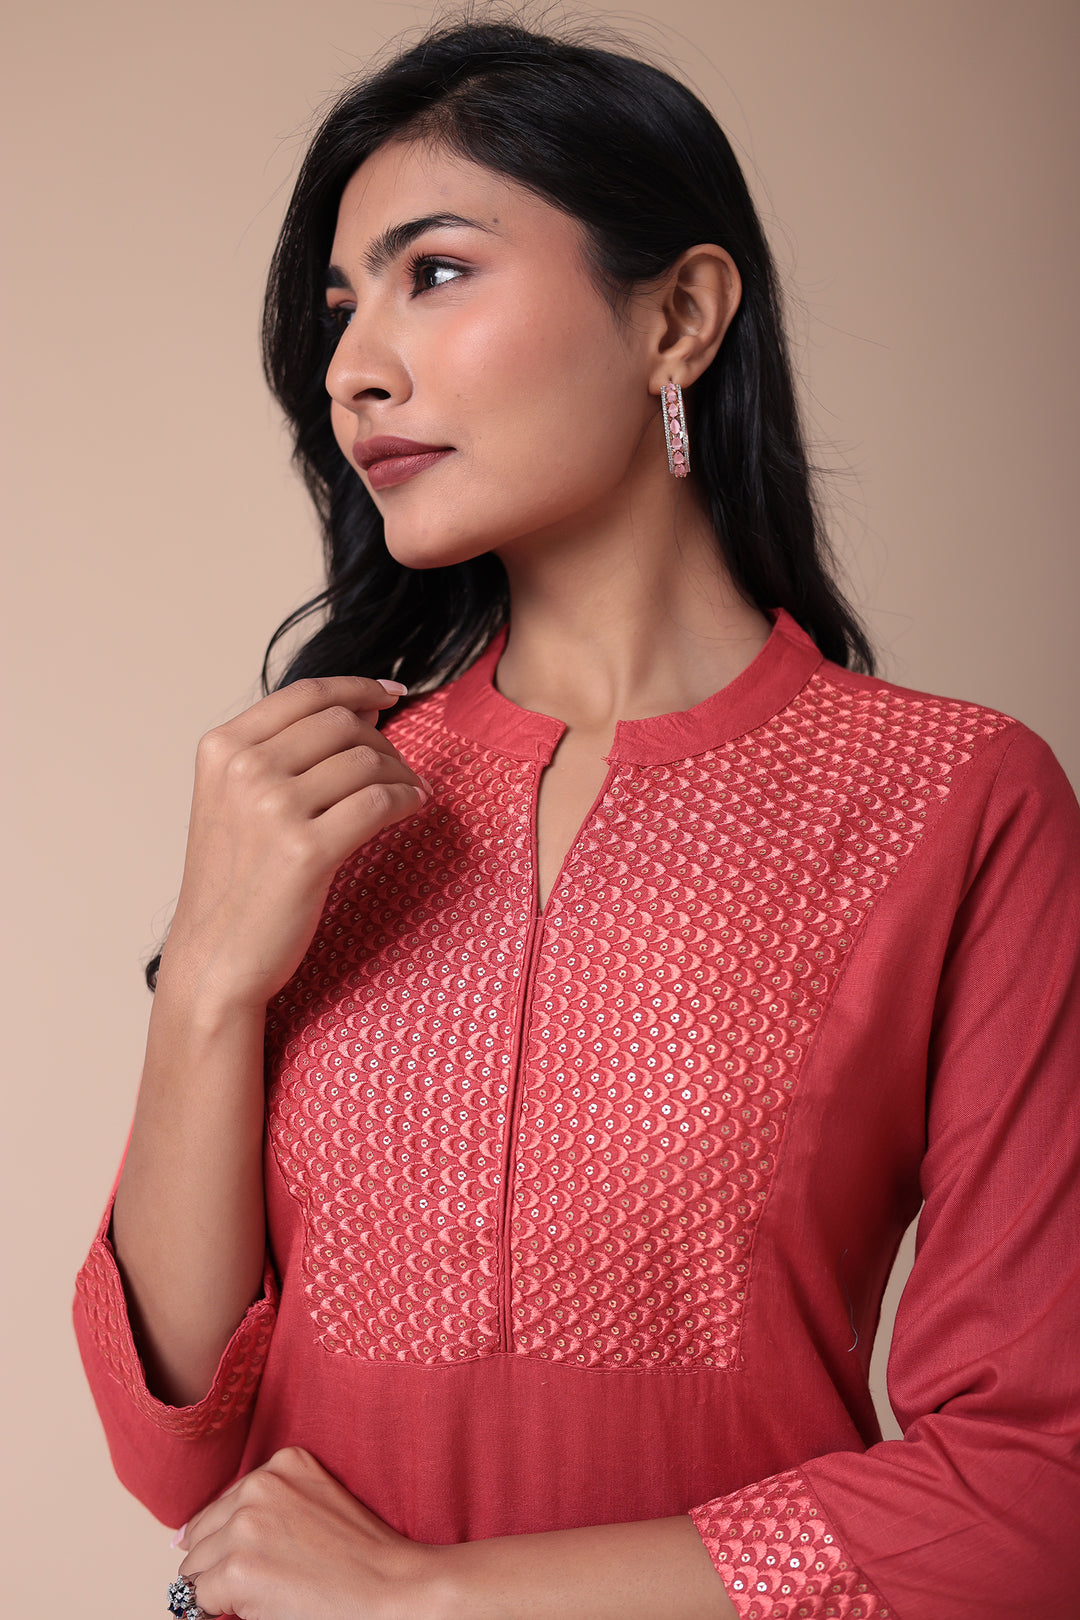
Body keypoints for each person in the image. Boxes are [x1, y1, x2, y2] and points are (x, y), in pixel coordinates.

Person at [72, 16, 1080, 1620]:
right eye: (340, 311)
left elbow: (1036, 1486)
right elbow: (175, 1446)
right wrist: (205, 978)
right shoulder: (323, 800)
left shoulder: (951, 802)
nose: (353, 369)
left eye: (435, 272)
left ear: (678, 316)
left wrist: (434, 1595)